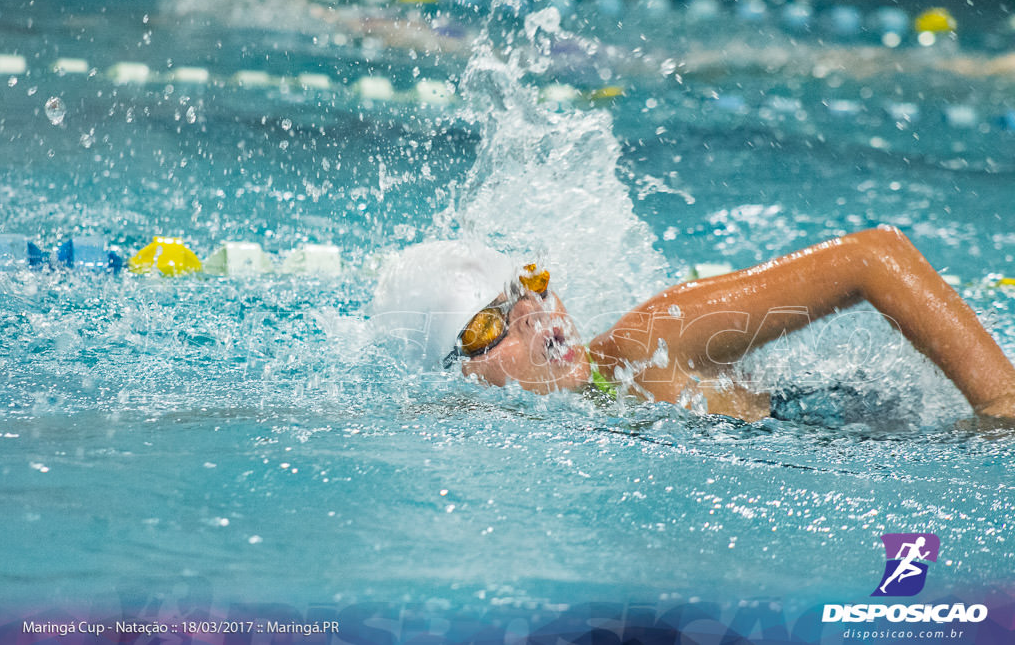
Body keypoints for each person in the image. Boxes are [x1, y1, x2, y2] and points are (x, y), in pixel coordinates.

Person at [370, 226, 1015, 423]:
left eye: (532, 289)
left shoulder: (647, 346)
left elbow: (874, 257)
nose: (541, 317)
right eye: (496, 323)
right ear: (455, 374)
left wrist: (1000, 405)